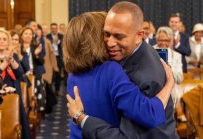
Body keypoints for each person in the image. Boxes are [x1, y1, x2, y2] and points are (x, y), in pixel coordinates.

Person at [67, 1, 178, 139]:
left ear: (139, 36)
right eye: (106, 34)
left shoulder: (74, 72)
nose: (110, 43)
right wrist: (169, 85)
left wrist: (80, 117)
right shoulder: (111, 66)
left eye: (119, 36)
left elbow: (149, 118)